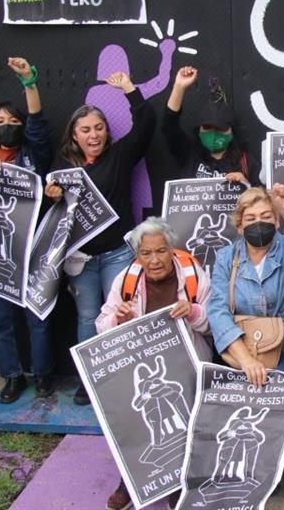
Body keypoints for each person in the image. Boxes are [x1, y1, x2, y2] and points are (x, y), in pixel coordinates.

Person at [47, 70, 155, 405]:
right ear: (74, 135)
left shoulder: (119, 156)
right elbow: (53, 204)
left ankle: (120, 382)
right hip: (80, 260)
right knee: (86, 318)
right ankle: (88, 380)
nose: (93, 134)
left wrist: (129, 90)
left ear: (107, 131)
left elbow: (147, 122)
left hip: (117, 255)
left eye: (99, 127)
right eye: (85, 129)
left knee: (121, 317)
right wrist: (51, 193)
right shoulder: (64, 165)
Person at [207, 184, 284, 500]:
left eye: (267, 216)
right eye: (250, 217)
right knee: (245, 393)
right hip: (245, 348)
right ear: (239, 224)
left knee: (279, 389)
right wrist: (245, 358)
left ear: (277, 221)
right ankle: (255, 465)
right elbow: (217, 309)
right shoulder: (227, 256)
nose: (259, 223)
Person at [97, 217, 212, 510]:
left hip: (188, 364)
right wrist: (117, 320)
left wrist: (195, 312)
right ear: (137, 255)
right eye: (146, 254)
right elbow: (101, 324)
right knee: (135, 421)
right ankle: (130, 479)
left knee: (183, 418)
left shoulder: (193, 275)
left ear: (171, 249)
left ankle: (178, 484)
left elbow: (215, 324)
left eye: (160, 251)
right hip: (139, 367)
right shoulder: (126, 279)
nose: (154, 260)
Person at [0, 57, 55, 404]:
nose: (7, 126)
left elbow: (37, 122)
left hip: (32, 248)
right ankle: (11, 375)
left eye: (13, 121)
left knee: (37, 318)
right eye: (0, 121)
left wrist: (29, 82)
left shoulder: (33, 153)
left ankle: (42, 375)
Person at [163, 65, 260, 186]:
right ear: (199, 130)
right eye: (207, 128)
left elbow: (262, 199)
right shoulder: (188, 153)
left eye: (220, 129)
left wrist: (246, 184)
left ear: (231, 131)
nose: (213, 133)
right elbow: (169, 125)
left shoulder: (246, 162)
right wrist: (179, 87)